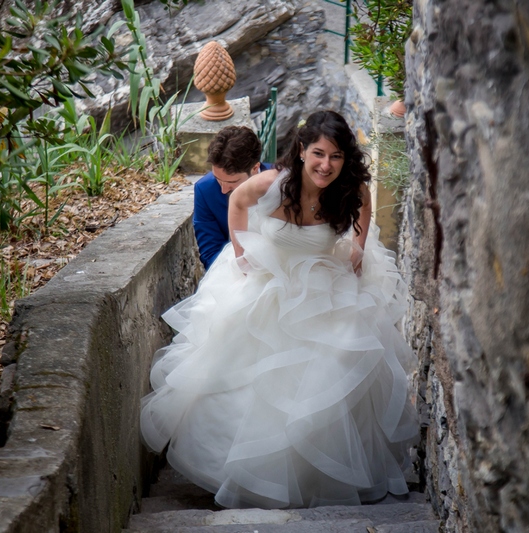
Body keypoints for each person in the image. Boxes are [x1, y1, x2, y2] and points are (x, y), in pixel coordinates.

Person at [141, 110, 418, 509]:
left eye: (336, 156)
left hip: (326, 287)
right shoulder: (274, 182)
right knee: (242, 367)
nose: (326, 165)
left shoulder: (350, 187)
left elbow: (363, 205)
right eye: (319, 153)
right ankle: (236, 473)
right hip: (270, 283)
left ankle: (316, 477)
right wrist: (240, 253)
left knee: (336, 367)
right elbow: (236, 199)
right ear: (303, 150)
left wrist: (358, 246)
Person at [193, 126, 273, 270]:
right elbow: (210, 252)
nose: (223, 189)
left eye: (232, 182)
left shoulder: (281, 182)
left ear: (255, 168)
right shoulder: (205, 190)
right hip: (232, 273)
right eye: (218, 179)